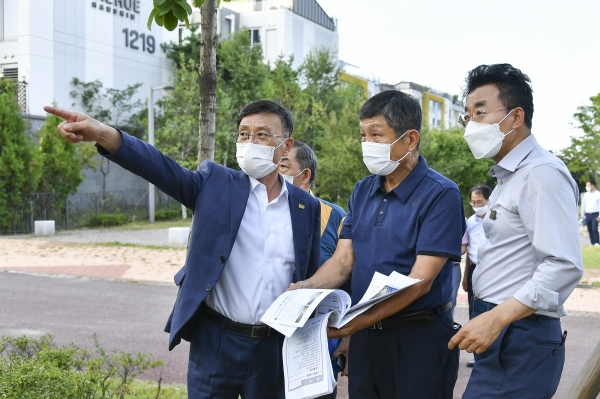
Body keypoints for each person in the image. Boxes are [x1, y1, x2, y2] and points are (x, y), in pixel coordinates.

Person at [43, 100, 322, 399]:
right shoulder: (215, 183)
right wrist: (103, 133)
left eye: (262, 135)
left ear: (285, 145)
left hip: (275, 346)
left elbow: (311, 275)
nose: (250, 142)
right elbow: (158, 166)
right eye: (244, 134)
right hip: (216, 340)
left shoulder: (306, 207)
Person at [290, 90, 466, 398]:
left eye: (376, 135)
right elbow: (343, 261)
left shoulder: (441, 194)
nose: (367, 145)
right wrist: (307, 287)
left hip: (418, 338)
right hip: (366, 339)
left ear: (410, 139)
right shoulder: (363, 191)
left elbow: (420, 281)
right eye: (362, 136)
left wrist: (351, 324)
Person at [449, 64, 584, 398]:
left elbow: (563, 264)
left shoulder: (540, 173)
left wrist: (496, 319)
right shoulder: (509, 176)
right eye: (467, 116)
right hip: (502, 331)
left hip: (519, 333)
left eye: (480, 113)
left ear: (515, 116)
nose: (471, 125)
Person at [279, 140, 348, 398]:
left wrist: (349, 338)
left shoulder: (335, 217)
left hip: (317, 343)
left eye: (283, 165)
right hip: (264, 340)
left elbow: (349, 275)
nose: (274, 171)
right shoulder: (259, 214)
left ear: (304, 175)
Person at [460, 184, 492, 368]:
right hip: (474, 269)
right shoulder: (470, 222)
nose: (476, 205)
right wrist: (465, 276)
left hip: (494, 268)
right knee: (474, 308)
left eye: (480, 202)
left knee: (492, 306)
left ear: (488, 200)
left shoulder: (498, 219)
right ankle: (477, 354)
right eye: (473, 202)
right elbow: (469, 253)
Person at [581, 179, 600, 246]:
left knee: (594, 228)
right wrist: (582, 214)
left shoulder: (598, 194)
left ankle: (597, 242)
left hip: (595, 214)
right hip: (587, 214)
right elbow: (583, 205)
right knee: (589, 229)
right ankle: (592, 243)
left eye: (588, 185)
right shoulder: (586, 195)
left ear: (592, 185)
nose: (587, 187)